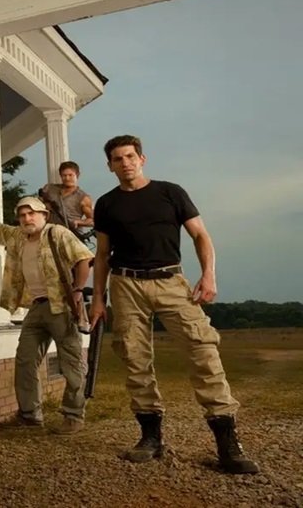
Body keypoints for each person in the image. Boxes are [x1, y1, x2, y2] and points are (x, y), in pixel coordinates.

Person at [89, 134, 258, 474]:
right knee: (134, 357)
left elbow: (200, 235)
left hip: (170, 281)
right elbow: (103, 254)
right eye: (118, 159)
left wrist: (208, 275)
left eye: (130, 156)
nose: (125, 163)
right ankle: (151, 438)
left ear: (142, 159)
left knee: (203, 350)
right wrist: (98, 299)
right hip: (125, 284)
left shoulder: (170, 192)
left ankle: (228, 444)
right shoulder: (106, 204)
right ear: (110, 166)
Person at [0, 190, 93, 434]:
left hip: (61, 306)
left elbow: (83, 259)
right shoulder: (17, 236)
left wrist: (78, 291)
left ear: (44, 215)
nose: (27, 219)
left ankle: (73, 415)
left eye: (32, 213)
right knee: (25, 360)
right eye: (22, 215)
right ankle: (30, 415)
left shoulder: (57, 233)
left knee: (72, 363)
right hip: (35, 307)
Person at [39, 161, 94, 241]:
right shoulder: (49, 189)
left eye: (70, 175)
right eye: (64, 175)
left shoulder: (83, 198)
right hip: (49, 235)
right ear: (60, 176)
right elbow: (37, 207)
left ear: (77, 175)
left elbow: (92, 220)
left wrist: (78, 222)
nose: (67, 178)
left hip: (71, 237)